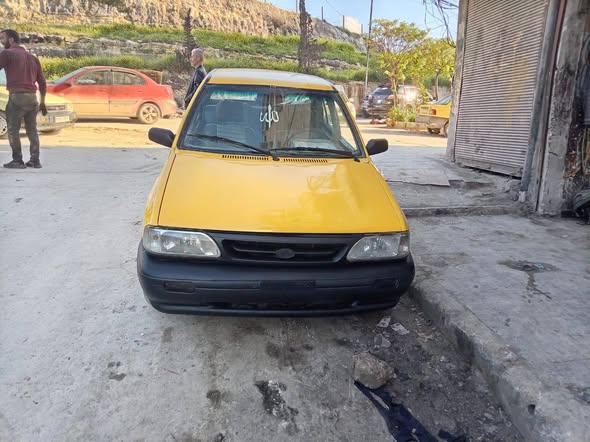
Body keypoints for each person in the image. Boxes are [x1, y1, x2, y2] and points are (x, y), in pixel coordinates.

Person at [0, 29, 47, 169]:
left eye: (2, 38)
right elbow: (42, 82)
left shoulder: (7, 54)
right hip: (33, 98)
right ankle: (35, 160)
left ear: (11, 40)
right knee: (32, 130)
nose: (1, 41)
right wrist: (43, 102)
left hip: (17, 97)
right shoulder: (33, 58)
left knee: (13, 130)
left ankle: (17, 160)